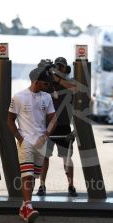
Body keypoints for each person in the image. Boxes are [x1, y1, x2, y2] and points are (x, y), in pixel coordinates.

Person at [8, 67, 56, 223]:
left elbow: (53, 119)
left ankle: (24, 207)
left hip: (41, 142)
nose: (48, 85)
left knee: (34, 176)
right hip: (26, 141)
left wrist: (46, 135)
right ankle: (28, 206)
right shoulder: (19, 97)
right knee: (27, 175)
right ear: (36, 81)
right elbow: (9, 119)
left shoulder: (47, 97)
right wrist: (19, 138)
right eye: (45, 82)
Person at [37, 57, 78, 197]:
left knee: (67, 158)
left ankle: (71, 185)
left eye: (61, 67)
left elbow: (76, 89)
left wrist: (58, 80)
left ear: (66, 69)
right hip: (47, 126)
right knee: (44, 157)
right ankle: (42, 185)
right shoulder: (48, 83)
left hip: (64, 125)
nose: (59, 70)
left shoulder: (69, 82)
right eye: (57, 67)